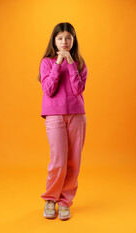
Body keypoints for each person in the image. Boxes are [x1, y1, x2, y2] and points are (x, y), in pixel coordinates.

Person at [37, 22, 88, 220]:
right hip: (54, 115)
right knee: (58, 160)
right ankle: (50, 198)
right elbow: (48, 89)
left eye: (68, 38)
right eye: (60, 38)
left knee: (74, 161)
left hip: (77, 116)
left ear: (74, 41)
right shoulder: (47, 62)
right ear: (54, 41)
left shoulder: (80, 63)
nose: (64, 41)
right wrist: (58, 63)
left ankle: (65, 201)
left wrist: (71, 64)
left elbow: (78, 90)